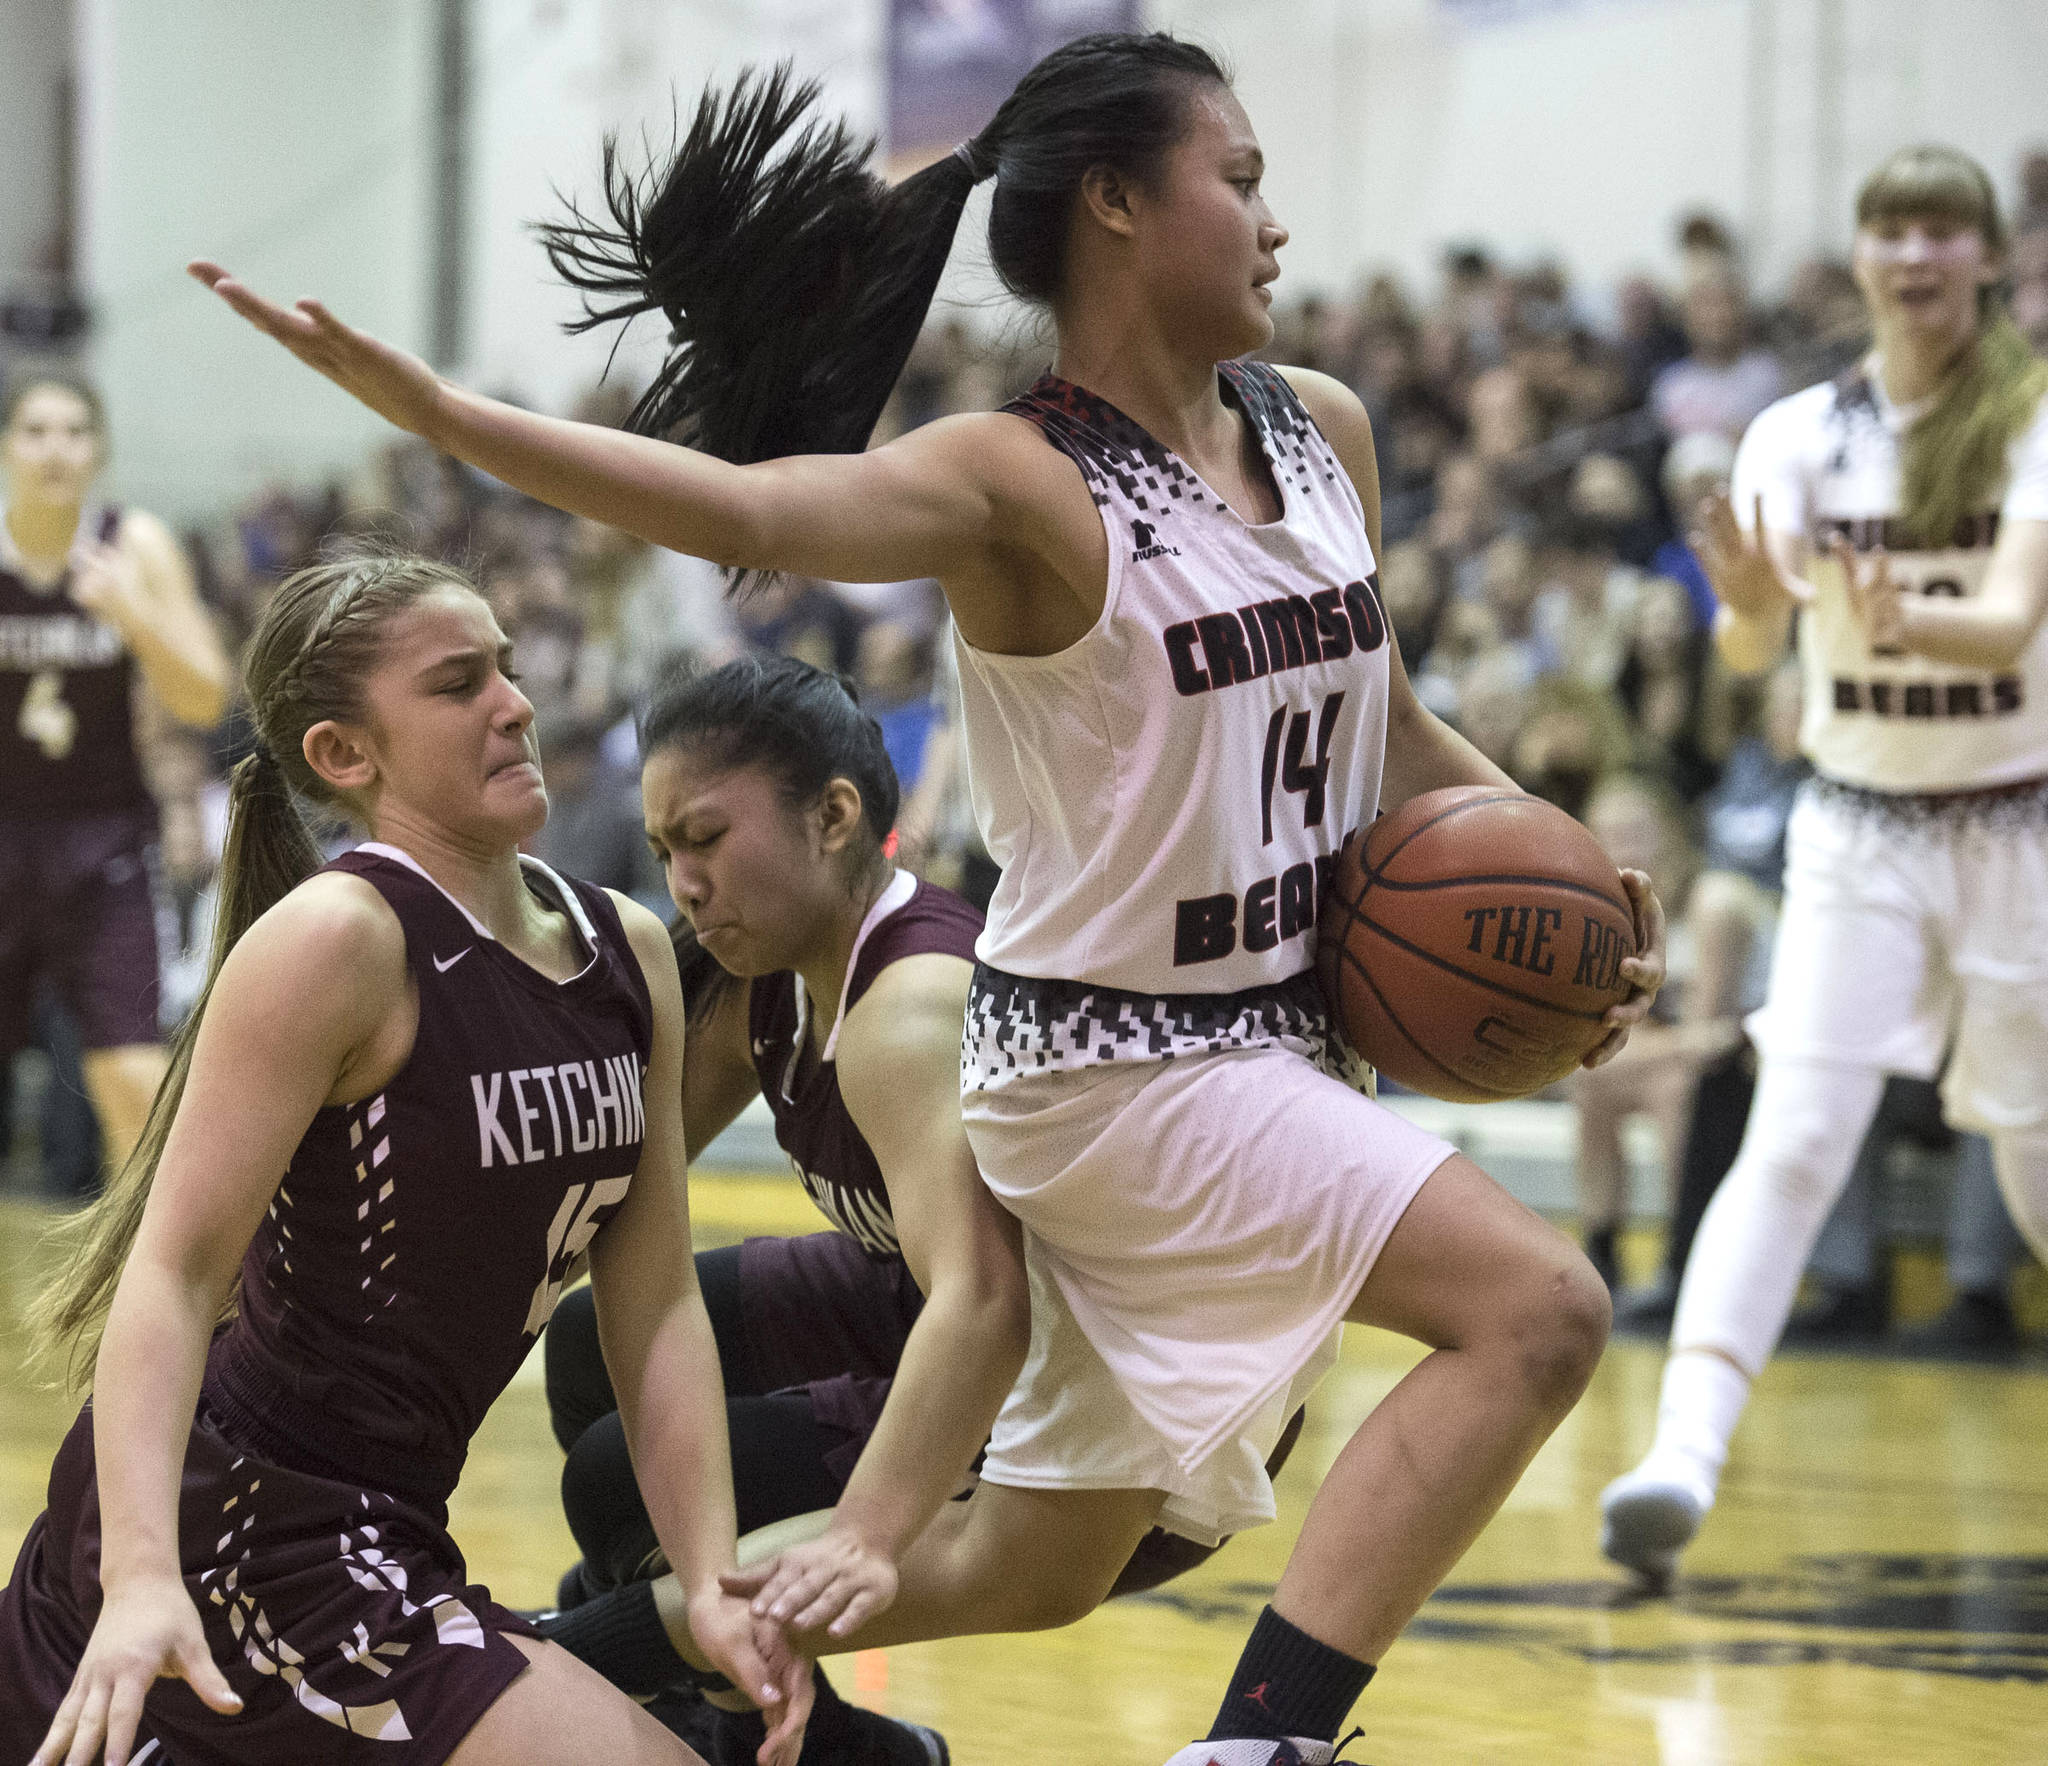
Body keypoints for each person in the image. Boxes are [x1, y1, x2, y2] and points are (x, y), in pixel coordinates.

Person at [191, 36, 1663, 1762]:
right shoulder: (1016, 480)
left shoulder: (1318, 431)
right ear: (1117, 204)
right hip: (1123, 1070)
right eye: (1239, 180)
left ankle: (597, 1650)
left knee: (1040, 1566)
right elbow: (746, 503)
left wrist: (1552, 863)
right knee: (1541, 1307)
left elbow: (1384, 730)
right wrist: (447, 416)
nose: (1273, 223)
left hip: (1272, 1057)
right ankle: (1260, 1743)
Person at [0, 552, 808, 1766]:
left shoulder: (625, 946)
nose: (515, 702)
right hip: (243, 1529)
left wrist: (707, 1575)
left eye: (510, 668)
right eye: (457, 682)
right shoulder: (340, 938)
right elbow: (168, 1274)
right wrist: (139, 1578)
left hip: (384, 1527)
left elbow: (655, 1304)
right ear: (343, 754)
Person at [1600, 143, 2048, 1585]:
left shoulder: (2036, 413)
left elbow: (2009, 619)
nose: (1916, 255)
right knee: (1794, 1137)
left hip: (2012, 819)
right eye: (1891, 229)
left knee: (2035, 1152)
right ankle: (1679, 1457)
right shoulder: (1796, 430)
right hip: (1856, 826)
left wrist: (1893, 609)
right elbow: (1752, 649)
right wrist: (1743, 609)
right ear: (1859, 256)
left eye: (1941, 231)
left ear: (1985, 256)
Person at [539, 652, 1025, 1765]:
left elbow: (991, 1303)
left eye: (705, 839)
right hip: (907, 1294)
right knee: (588, 1350)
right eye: (665, 851)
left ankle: (784, 1727)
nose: (685, 881)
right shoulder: (765, 969)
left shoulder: (909, 1009)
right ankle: (775, 1716)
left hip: (1017, 1375)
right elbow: (610, 1189)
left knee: (622, 1487)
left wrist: (865, 1533)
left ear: (835, 815)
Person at [0, 367, 231, 1178]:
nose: (54, 449)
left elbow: (205, 696)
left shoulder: (134, 544)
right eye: (34, 430)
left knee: (134, 1078)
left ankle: (156, 1291)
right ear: (5, 446)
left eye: (73, 431)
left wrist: (133, 612)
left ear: (99, 449)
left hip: (102, 845)